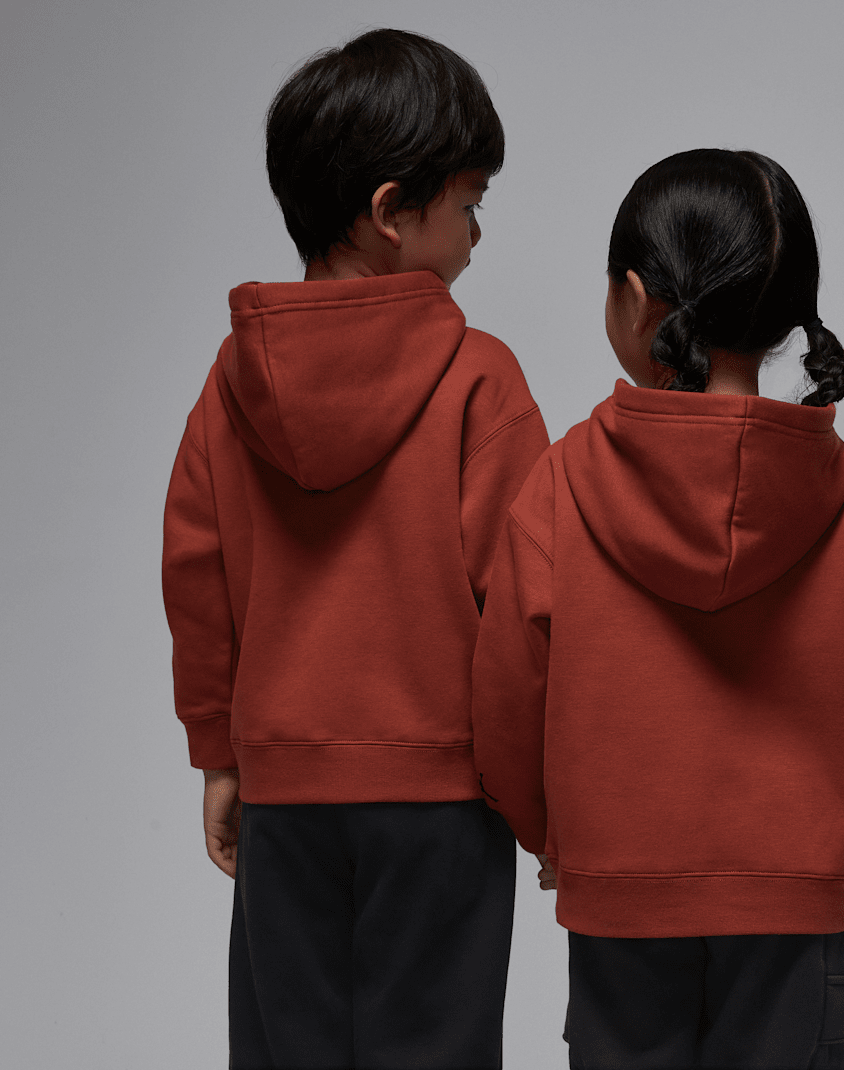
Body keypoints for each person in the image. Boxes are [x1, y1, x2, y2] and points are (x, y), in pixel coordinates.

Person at [471, 148, 844, 1069]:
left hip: (622, 901)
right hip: (797, 903)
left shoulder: (562, 483)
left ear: (635, 300)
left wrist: (548, 832)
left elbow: (508, 693)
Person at [162, 28, 548, 1070]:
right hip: (442, 803)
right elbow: (525, 608)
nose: (477, 233)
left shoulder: (231, 383)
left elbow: (197, 574)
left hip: (285, 796)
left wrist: (220, 752)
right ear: (390, 212)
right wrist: (539, 795)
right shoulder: (480, 379)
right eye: (468, 204)